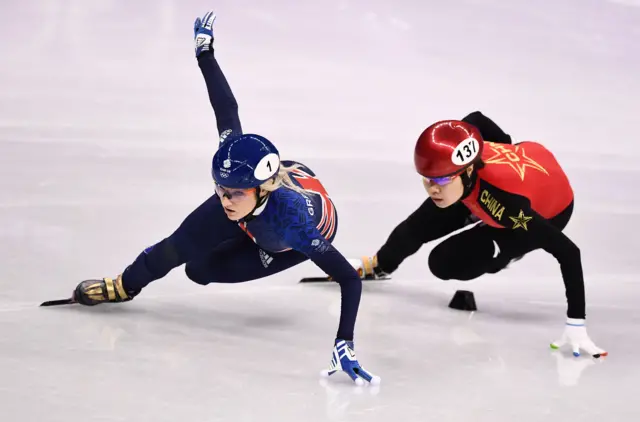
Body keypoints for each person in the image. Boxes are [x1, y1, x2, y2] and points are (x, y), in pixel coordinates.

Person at [69, 11, 379, 385]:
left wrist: (343, 341)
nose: (223, 198)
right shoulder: (235, 168)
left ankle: (240, 233)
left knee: (200, 271)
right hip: (265, 200)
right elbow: (225, 107)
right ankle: (124, 286)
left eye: (232, 192)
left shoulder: (293, 224)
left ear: (261, 188)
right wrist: (205, 52)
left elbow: (349, 278)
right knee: (177, 249)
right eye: (219, 188)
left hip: (288, 237)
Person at [351, 112, 607, 358]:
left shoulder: (508, 206)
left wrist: (576, 324)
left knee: (444, 262)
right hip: (513, 167)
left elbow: (569, 252)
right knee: (418, 225)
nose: (433, 189)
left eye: (440, 181)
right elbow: (476, 119)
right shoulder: (459, 158)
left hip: (550, 208)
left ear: (468, 170)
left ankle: (502, 254)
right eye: (427, 180)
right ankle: (380, 266)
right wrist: (506, 147)